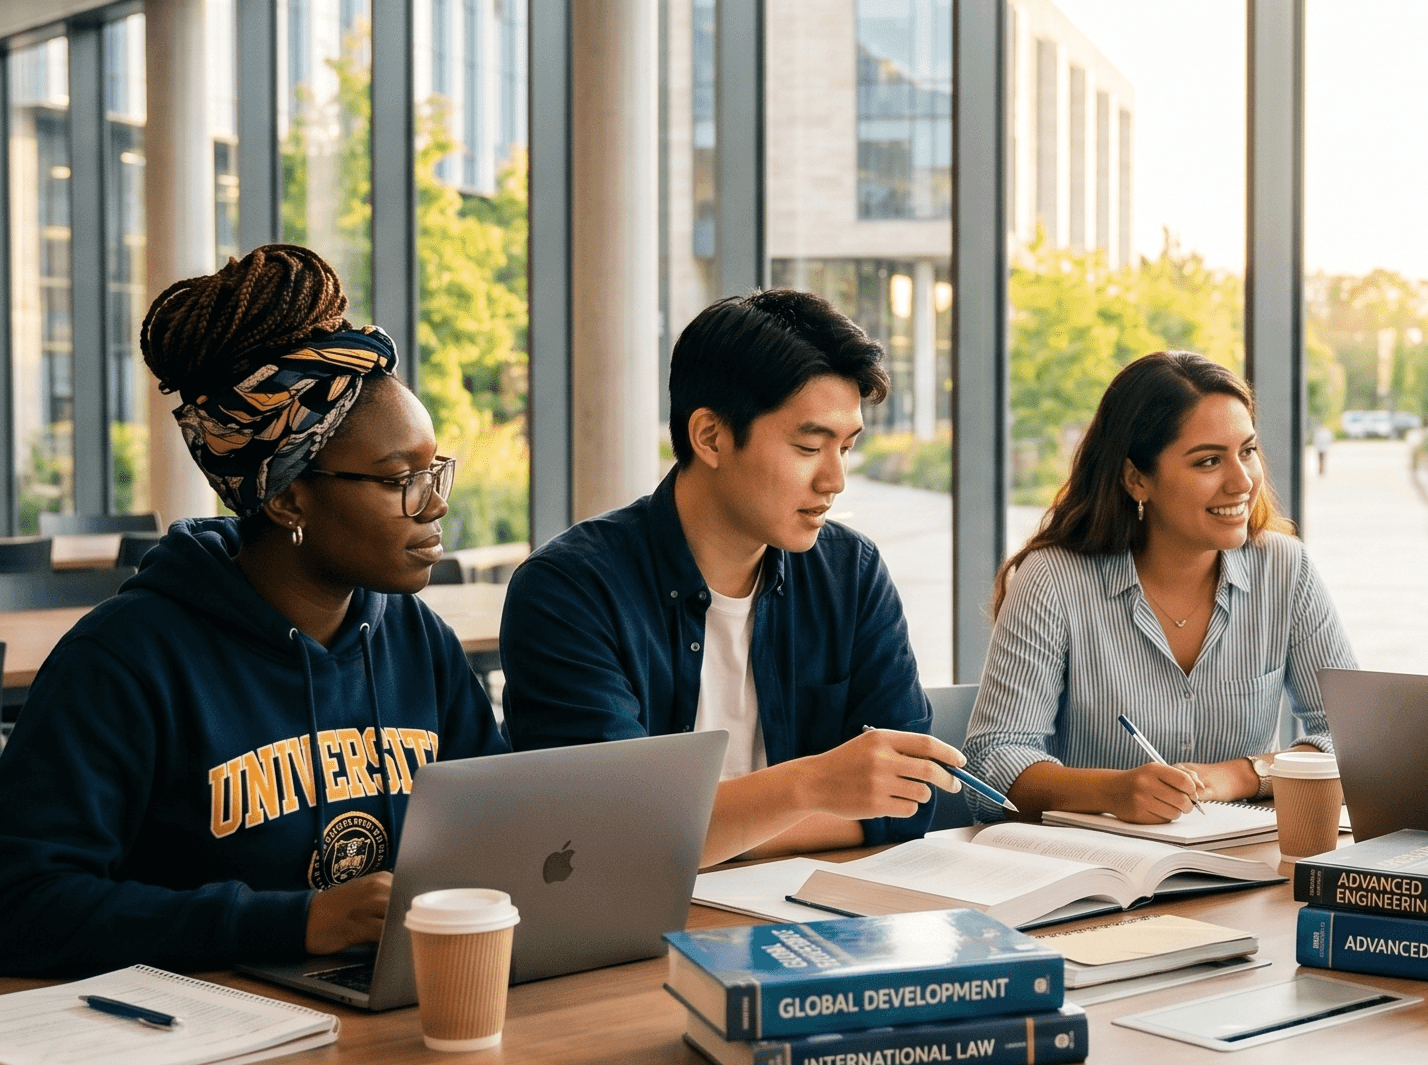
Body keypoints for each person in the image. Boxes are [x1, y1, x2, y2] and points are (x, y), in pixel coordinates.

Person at [0, 245, 505, 978]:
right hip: (193, 1049)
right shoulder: (124, 663)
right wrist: (293, 921)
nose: (434, 502)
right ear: (287, 497)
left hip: (385, 1017)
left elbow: (506, 827)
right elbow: (13, 911)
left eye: (434, 470)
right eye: (398, 478)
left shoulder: (415, 640)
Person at [500, 289, 966, 864]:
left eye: (846, 448)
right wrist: (813, 787)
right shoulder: (570, 591)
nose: (835, 480)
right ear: (711, 437)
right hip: (638, 931)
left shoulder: (850, 573)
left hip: (814, 919)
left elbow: (910, 800)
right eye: (808, 446)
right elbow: (606, 836)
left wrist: (694, 833)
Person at [966, 351, 1355, 822]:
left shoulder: (1285, 569)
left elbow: (1354, 740)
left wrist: (1241, 776)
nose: (1242, 482)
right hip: (1099, 870)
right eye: (1209, 461)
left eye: (1247, 451)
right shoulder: (1053, 580)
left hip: (1242, 865)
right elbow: (992, 764)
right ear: (1136, 479)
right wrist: (1113, 792)